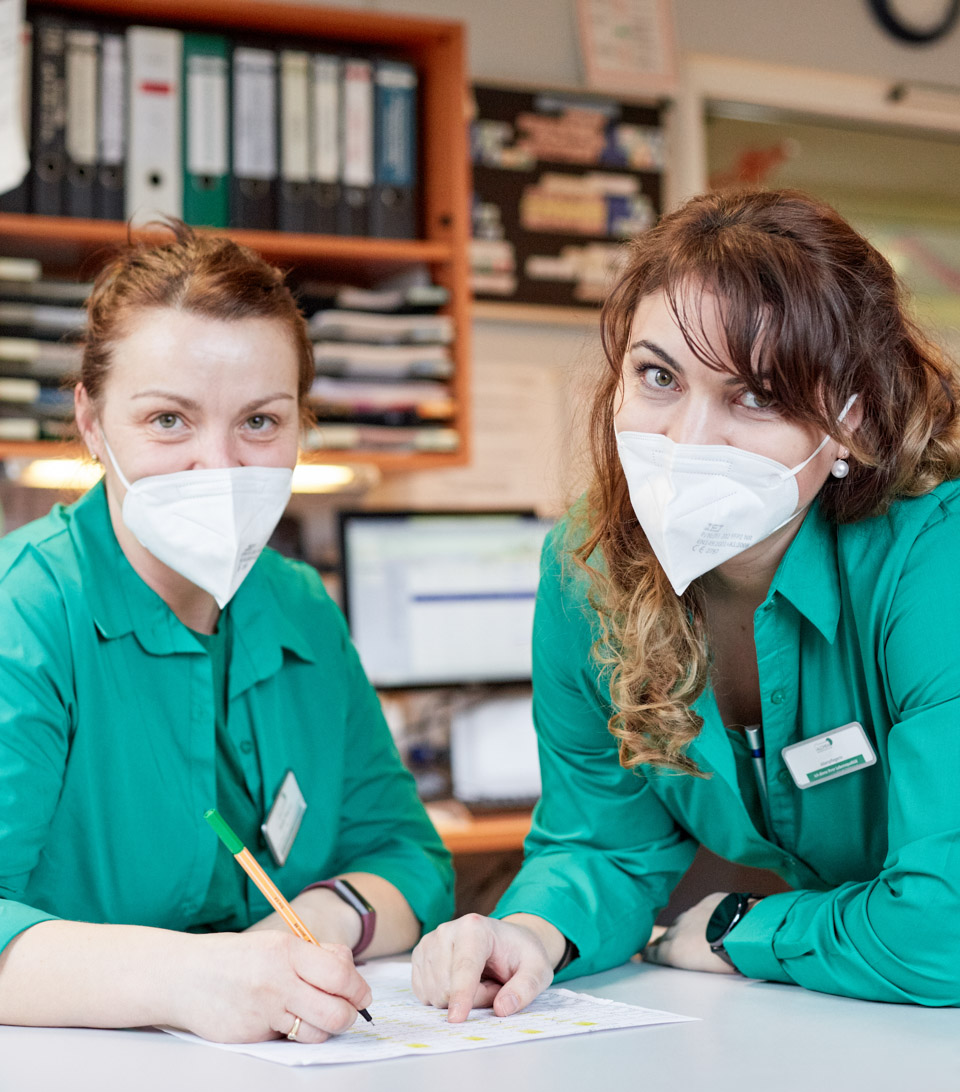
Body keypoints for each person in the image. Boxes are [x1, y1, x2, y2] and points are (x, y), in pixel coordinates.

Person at [412, 187, 960, 1016]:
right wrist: (528, 932)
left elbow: (945, 926)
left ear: (848, 419)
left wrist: (745, 929)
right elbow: (602, 843)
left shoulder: (934, 558)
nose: (686, 442)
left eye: (757, 394)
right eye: (658, 376)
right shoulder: (587, 569)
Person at [0, 224, 453, 1043]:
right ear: (93, 423)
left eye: (260, 422)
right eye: (169, 420)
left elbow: (408, 859)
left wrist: (307, 928)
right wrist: (189, 980)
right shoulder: (27, 611)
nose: (221, 464)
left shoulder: (299, 605)